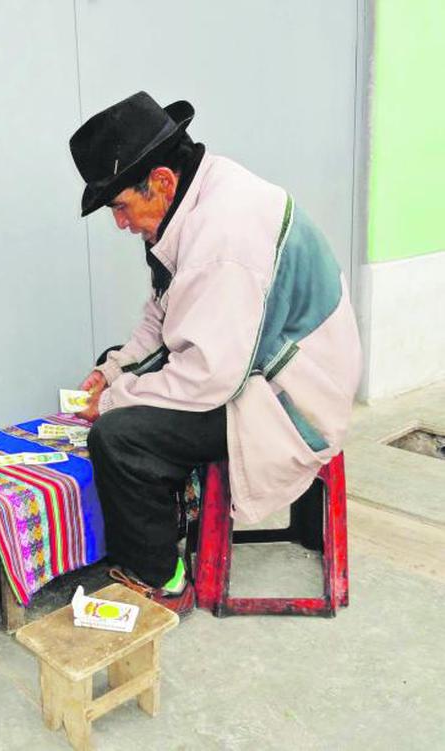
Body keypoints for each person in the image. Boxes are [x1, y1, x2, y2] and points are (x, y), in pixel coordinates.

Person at [68, 92, 362, 615]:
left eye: (119, 207)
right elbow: (161, 313)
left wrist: (114, 403)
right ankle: (166, 513)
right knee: (118, 368)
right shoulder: (191, 198)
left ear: (159, 181)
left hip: (291, 398)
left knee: (117, 438)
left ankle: (162, 578)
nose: (120, 223)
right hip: (250, 365)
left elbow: (209, 379)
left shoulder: (223, 234)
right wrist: (111, 371)